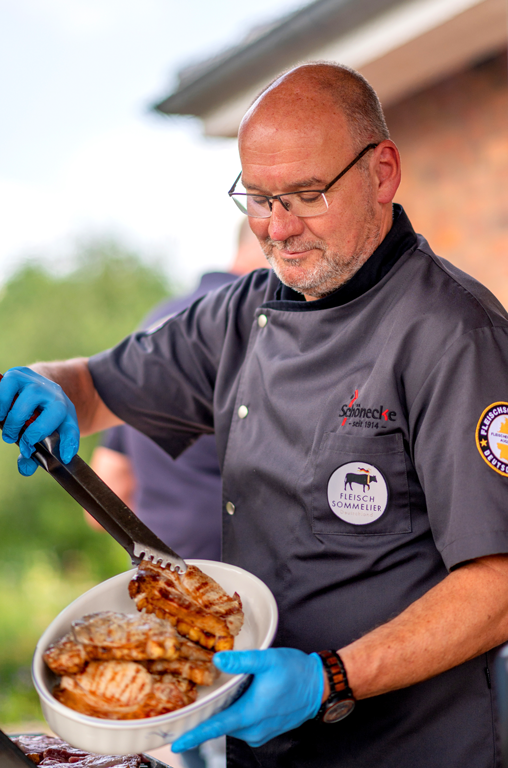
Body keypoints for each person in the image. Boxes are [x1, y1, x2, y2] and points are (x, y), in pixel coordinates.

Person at [2, 63, 508, 768]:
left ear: (382, 173)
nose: (279, 227)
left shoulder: (455, 335)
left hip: (406, 748)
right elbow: (96, 384)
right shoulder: (241, 313)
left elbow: (498, 585)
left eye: (306, 195)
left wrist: (329, 678)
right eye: (260, 199)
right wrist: (47, 385)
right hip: (258, 746)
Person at [86, 219, 267, 563]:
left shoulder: (156, 323)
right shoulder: (263, 325)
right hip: (237, 578)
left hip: (154, 576)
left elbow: (107, 489)